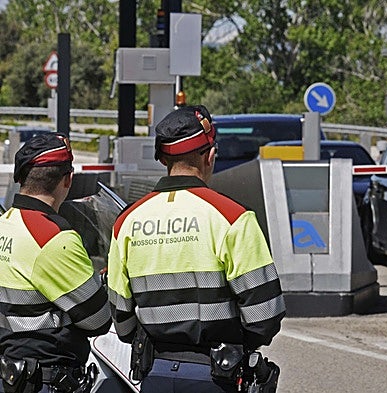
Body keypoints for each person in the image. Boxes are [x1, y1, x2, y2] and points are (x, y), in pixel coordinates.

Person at [107, 105, 286, 393]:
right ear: (211, 156)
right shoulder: (232, 218)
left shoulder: (127, 222)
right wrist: (240, 345)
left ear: (162, 158)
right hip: (217, 375)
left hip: (155, 373)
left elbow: (121, 314)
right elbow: (265, 313)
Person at [0, 132, 112, 393]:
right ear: (68, 180)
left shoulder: (5, 225)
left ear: (20, 178)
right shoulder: (53, 237)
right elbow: (98, 321)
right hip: (45, 378)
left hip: (11, 373)